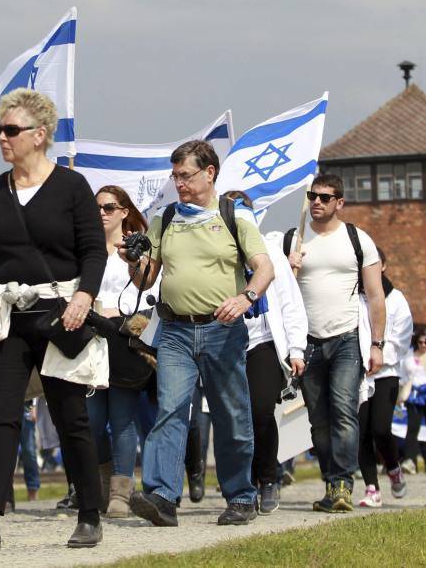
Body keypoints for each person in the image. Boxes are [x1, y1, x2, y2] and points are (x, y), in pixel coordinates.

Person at [0, 88, 107, 550]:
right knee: (0, 417)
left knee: (72, 417)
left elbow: (93, 251)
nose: (2, 138)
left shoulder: (72, 188)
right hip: (5, 317)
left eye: (11, 130)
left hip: (59, 314)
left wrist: (84, 297)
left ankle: (90, 513)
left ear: (40, 135)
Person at [120, 140, 274, 527]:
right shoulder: (166, 218)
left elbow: (264, 266)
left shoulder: (234, 215)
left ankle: (240, 495)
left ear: (210, 173)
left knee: (231, 415)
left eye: (185, 175)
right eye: (175, 176)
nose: (179, 183)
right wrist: (133, 260)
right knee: (170, 410)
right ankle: (162, 497)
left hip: (223, 331)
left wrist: (246, 297)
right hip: (174, 330)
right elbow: (148, 277)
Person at [284, 174, 385, 513]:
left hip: (346, 337)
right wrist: (288, 267)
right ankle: (331, 482)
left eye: (326, 197)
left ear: (340, 202)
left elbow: (375, 295)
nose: (317, 202)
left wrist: (377, 344)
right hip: (307, 341)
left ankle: (343, 481)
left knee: (344, 411)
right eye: (313, 195)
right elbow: (279, 291)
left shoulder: (357, 239)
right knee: (319, 419)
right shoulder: (293, 238)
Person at [223, 190, 307, 515]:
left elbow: (290, 301)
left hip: (263, 343)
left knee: (260, 411)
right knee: (234, 419)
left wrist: (297, 349)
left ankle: (268, 477)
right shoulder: (217, 250)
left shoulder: (270, 250)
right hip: (227, 344)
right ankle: (243, 484)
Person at [89, 185, 158, 518]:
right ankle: (101, 482)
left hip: (122, 340)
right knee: (90, 420)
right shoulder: (85, 250)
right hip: (88, 342)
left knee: (122, 419)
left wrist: (135, 264)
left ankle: (121, 491)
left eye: (109, 207)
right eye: (98, 207)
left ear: (124, 212)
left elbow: (148, 293)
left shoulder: (136, 251)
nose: (102, 212)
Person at [357, 248, 413, 508]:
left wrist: (379, 356)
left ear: (383, 266)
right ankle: (372, 487)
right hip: (358, 374)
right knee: (361, 431)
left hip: (386, 372)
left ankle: (393, 467)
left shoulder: (397, 299)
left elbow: (402, 338)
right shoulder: (354, 296)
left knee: (380, 428)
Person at [401, 332, 426, 476]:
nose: (423, 345)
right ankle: (409, 460)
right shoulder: (409, 356)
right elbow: (404, 375)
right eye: (421, 342)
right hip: (415, 395)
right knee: (412, 428)